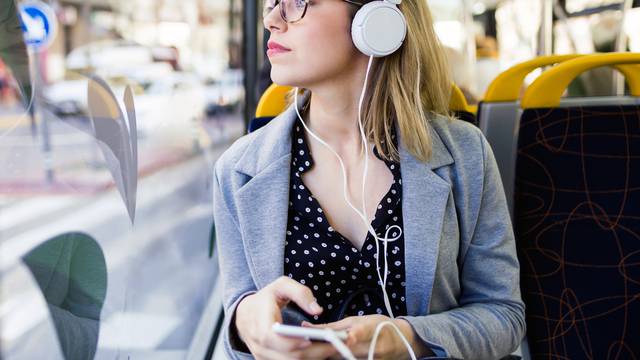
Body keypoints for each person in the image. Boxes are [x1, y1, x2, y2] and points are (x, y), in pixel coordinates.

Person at [212, 1, 526, 359]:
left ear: (375, 18)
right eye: (271, 3)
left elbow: (504, 316)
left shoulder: (466, 155)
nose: (271, 20)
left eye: (297, 2)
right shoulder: (237, 170)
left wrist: (404, 338)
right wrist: (246, 322)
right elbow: (237, 327)